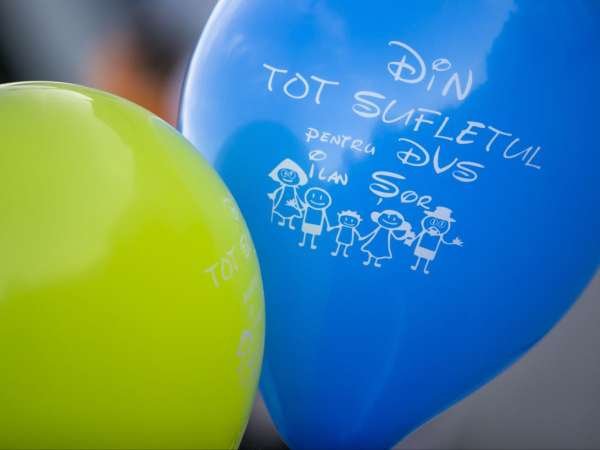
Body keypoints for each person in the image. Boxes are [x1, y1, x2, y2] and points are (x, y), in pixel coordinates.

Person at [409, 206, 463, 275]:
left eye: (442, 224)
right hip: (422, 245)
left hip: (431, 248)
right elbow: (418, 235)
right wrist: (412, 240)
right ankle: (416, 266)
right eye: (433, 221)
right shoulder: (425, 232)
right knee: (419, 256)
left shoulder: (439, 236)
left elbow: (444, 241)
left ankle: (425, 269)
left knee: (428, 258)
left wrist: (453, 243)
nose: (435, 227)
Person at [268, 158, 308, 229]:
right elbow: (279, 191)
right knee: (282, 211)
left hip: (291, 202)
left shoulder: (293, 190)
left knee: (291, 213)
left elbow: (296, 197)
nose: (287, 176)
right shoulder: (283, 188)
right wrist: (273, 195)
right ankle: (282, 221)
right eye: (284, 173)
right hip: (283, 201)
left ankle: (289, 224)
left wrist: (302, 204)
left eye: (292, 175)